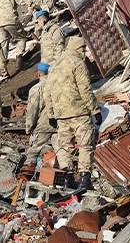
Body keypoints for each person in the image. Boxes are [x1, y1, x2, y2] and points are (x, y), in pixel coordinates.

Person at [44, 36, 98, 190]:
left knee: (65, 147)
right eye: (83, 48)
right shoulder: (77, 63)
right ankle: (84, 180)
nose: (84, 52)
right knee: (86, 145)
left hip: (61, 115)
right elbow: (85, 89)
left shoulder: (54, 66)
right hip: (79, 112)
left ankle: (68, 180)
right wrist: (95, 109)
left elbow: (47, 93)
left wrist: (51, 114)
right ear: (76, 48)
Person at [23, 62, 57, 173]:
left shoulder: (36, 89)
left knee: (34, 150)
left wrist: (29, 127)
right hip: (60, 122)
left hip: (44, 124)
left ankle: (27, 174)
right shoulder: (58, 84)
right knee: (59, 149)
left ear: (38, 73)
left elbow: (32, 111)